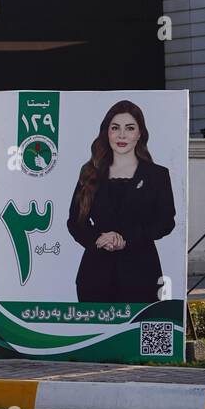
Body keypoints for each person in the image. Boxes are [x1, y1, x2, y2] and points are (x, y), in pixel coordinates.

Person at [67, 100, 175, 303]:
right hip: (95, 276)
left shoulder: (157, 175)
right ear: (106, 132)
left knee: (139, 332)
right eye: (115, 128)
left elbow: (166, 221)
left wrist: (126, 239)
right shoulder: (90, 173)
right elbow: (75, 222)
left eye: (130, 128)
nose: (122, 135)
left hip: (142, 273)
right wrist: (98, 239)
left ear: (140, 133)